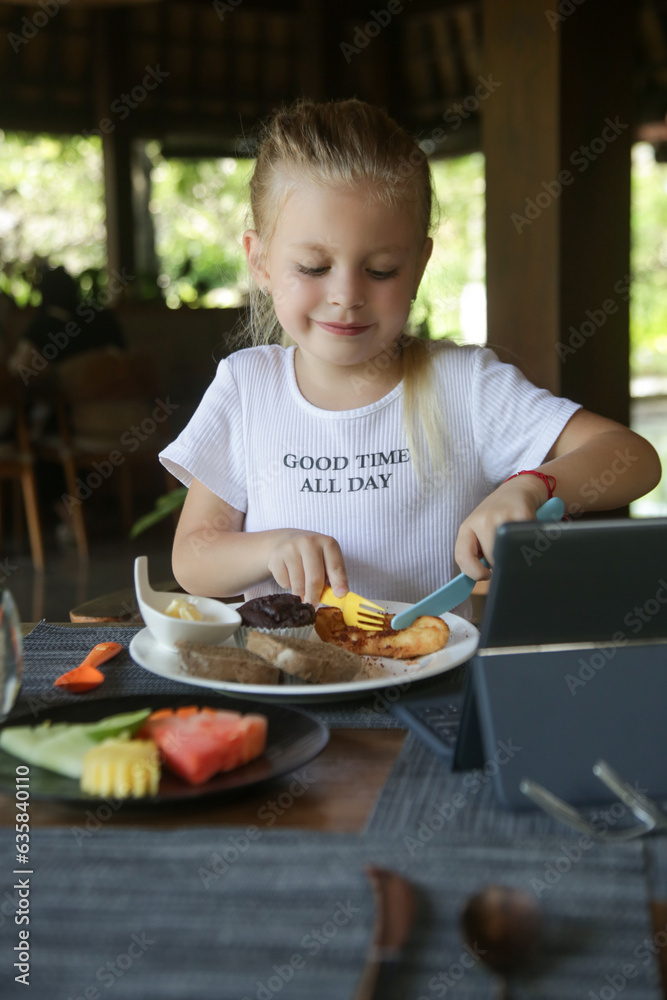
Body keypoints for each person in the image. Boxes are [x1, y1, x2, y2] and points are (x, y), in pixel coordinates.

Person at [159, 98, 661, 609]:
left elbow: (633, 458)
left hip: (432, 679)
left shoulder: (463, 385)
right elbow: (193, 560)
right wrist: (271, 548)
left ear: (419, 266)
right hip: (283, 680)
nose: (347, 295)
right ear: (260, 261)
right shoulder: (248, 388)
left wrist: (533, 486)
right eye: (313, 267)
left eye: (380, 271)